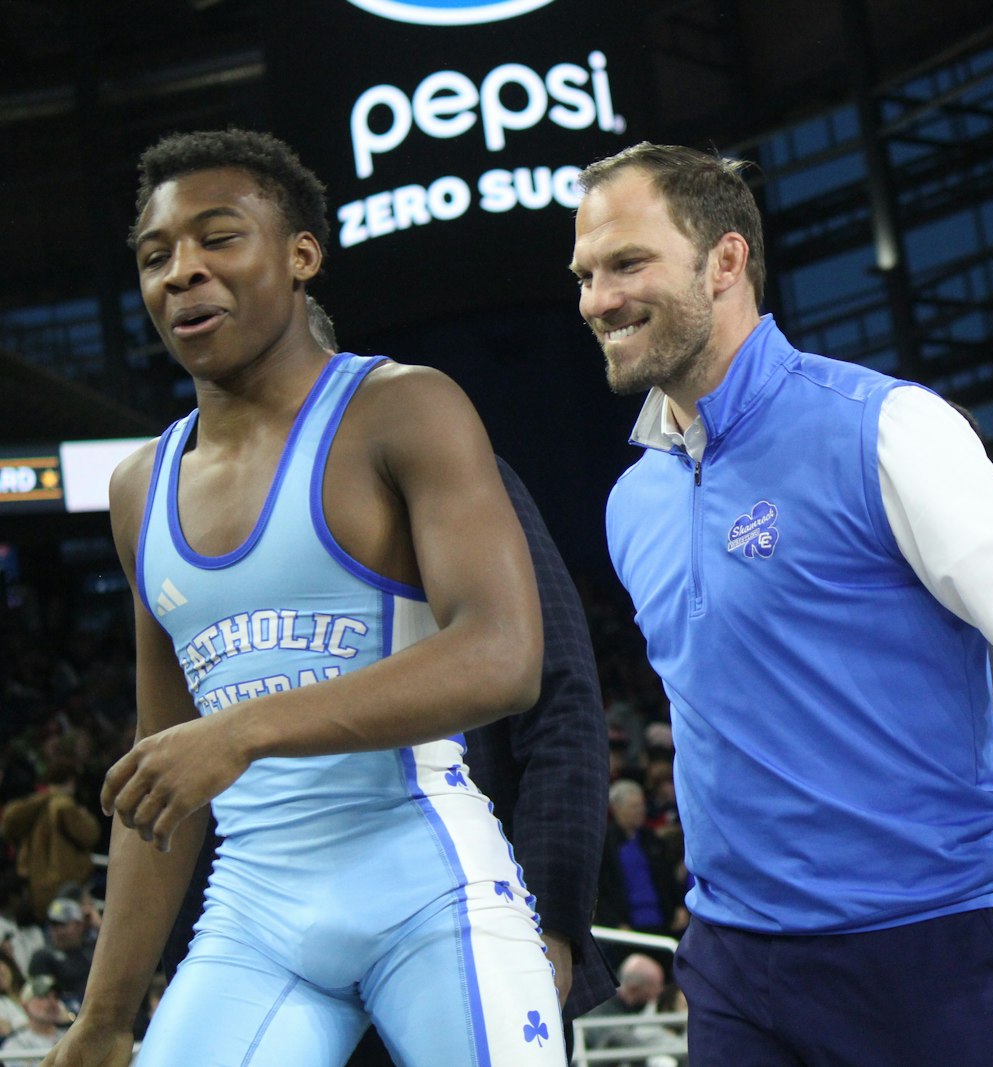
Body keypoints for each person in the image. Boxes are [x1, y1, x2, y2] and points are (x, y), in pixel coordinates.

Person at [571, 141, 993, 1066]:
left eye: (626, 263)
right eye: (584, 274)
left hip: (933, 948)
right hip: (736, 960)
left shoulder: (887, 427)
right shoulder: (633, 501)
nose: (596, 299)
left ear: (725, 259)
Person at [43, 128, 564, 1067]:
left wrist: (242, 728)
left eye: (217, 238)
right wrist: (105, 1017)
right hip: (256, 913)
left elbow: (503, 654)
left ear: (301, 255)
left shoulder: (402, 407)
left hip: (432, 890)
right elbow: (158, 780)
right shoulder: (139, 488)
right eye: (156, 256)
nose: (182, 273)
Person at [1, 763, 101, 920]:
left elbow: (7, 825)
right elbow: (90, 835)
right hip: (63, 887)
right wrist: (83, 816)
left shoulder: (34, 804)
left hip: (35, 887)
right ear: (71, 781)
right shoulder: (64, 805)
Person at [595, 780, 687, 939]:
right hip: (627, 927)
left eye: (641, 805)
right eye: (633, 807)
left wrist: (679, 906)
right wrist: (614, 923)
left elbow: (668, 877)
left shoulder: (651, 840)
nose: (640, 811)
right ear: (616, 809)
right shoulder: (605, 844)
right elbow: (601, 890)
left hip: (663, 922)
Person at [583, 954, 683, 1067]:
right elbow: (610, 1042)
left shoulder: (644, 1006)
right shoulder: (600, 1009)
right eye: (653, 987)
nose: (658, 993)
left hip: (653, 1052)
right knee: (619, 1037)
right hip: (598, 1060)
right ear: (634, 989)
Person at [26, 900, 91, 1012]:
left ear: (79, 925)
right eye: (53, 925)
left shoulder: (91, 949)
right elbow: (41, 999)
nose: (57, 931)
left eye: (62, 925)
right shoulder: (43, 957)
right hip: (69, 1015)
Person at [2, 976, 71, 1067]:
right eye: (43, 996)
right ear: (25, 1006)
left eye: (55, 996)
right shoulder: (16, 1045)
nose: (52, 1002)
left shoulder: (70, 1036)